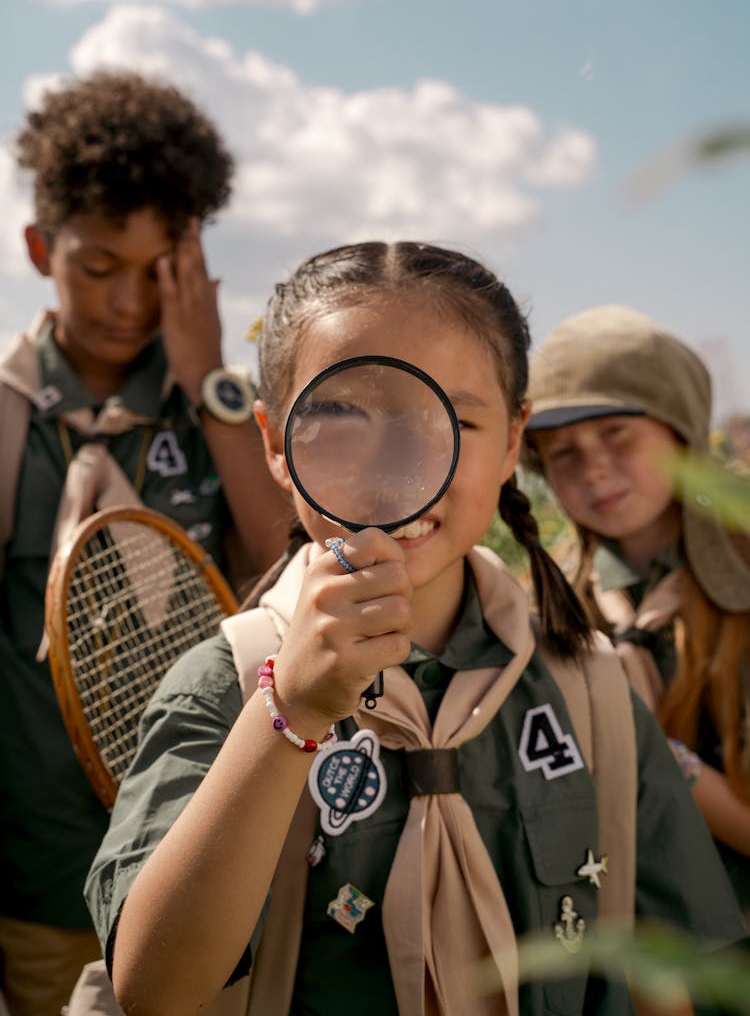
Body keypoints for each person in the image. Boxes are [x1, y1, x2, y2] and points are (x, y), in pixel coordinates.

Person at [85, 244, 746, 1016]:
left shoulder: (589, 689)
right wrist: (286, 719)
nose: (401, 464)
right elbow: (156, 990)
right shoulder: (225, 686)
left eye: (457, 419)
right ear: (274, 442)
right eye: (341, 415)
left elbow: (669, 979)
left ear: (510, 441)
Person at [0, 70, 290, 1016]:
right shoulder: (10, 417)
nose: (128, 301)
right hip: (41, 877)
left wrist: (207, 375)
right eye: (97, 267)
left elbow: (283, 545)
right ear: (41, 248)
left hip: (205, 869)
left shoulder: (217, 407)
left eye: (158, 268)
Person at [522, 304, 750, 920]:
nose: (593, 466)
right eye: (561, 452)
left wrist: (648, 747)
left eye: (617, 433)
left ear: (680, 431)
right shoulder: (544, 605)